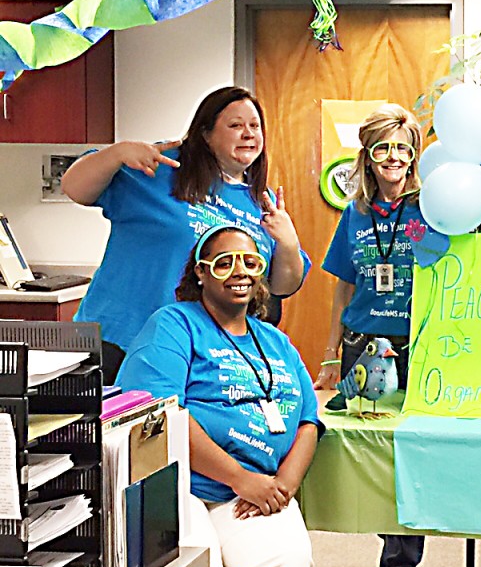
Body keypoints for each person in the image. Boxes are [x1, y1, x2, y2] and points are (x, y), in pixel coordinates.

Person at [116, 224, 323, 567]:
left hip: (254, 492)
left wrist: (281, 488)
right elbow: (161, 414)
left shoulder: (275, 341)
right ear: (200, 272)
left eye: (250, 262)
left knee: (284, 563)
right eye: (224, 263)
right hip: (178, 486)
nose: (239, 272)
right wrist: (240, 478)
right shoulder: (174, 325)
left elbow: (308, 422)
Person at [62, 86, 309, 384]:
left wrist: (287, 240)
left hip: (198, 352)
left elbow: (283, 286)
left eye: (255, 126)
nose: (249, 134)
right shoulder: (162, 171)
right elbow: (74, 187)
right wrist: (117, 153)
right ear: (205, 134)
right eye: (235, 125)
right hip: (118, 339)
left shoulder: (262, 202)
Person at [315, 102, 428, 567]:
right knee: (375, 452)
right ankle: (390, 555)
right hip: (364, 344)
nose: (394, 158)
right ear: (368, 155)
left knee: (411, 452)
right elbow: (343, 285)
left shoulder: (431, 207)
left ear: (414, 156)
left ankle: (402, 565)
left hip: (418, 346)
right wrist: (330, 350)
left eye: (403, 149)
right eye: (384, 148)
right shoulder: (355, 213)